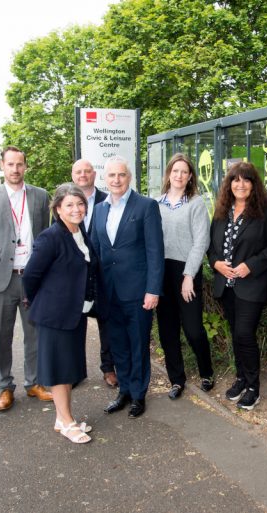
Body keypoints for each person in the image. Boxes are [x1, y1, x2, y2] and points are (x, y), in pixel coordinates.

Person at [0, 146, 53, 411]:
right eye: (10, 164)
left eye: (20, 164)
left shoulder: (41, 197)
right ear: (3, 166)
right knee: (2, 336)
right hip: (3, 280)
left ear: (25, 166)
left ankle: (34, 383)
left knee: (34, 334)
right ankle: (4, 387)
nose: (15, 169)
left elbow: (45, 236)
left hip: (32, 278)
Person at [23, 184, 100, 444]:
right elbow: (31, 276)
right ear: (58, 209)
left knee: (67, 368)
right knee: (59, 370)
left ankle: (61, 418)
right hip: (55, 316)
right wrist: (43, 303)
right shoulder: (51, 237)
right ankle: (67, 422)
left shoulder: (79, 232)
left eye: (80, 204)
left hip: (75, 313)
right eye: (69, 205)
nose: (76, 209)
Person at [91, 156, 164, 419]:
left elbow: (155, 251)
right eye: (111, 176)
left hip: (138, 292)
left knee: (138, 344)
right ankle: (123, 390)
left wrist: (153, 290)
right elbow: (97, 250)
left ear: (129, 177)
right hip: (109, 292)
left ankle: (138, 394)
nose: (116, 180)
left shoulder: (145, 206)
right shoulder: (99, 209)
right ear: (105, 179)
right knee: (118, 344)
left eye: (121, 175)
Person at [208, 162, 267, 411]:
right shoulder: (222, 211)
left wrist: (251, 265)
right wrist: (216, 263)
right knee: (235, 332)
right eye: (235, 180)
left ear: (254, 184)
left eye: (246, 180)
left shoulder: (266, 211)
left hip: (251, 284)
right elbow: (212, 247)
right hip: (226, 284)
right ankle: (241, 378)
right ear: (229, 184)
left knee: (244, 333)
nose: (240, 184)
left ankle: (253, 387)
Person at [156, 153, 213, 400]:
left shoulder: (196, 203)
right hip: (161, 273)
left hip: (186, 271)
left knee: (193, 330)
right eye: (175, 171)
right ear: (169, 173)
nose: (179, 175)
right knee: (167, 331)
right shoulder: (156, 203)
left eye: (184, 172)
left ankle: (206, 371)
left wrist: (189, 275)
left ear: (190, 176)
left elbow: (202, 240)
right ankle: (176, 380)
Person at [71, 158, 116, 388]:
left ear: (94, 175)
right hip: (75, 276)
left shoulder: (106, 200)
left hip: (102, 273)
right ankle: (76, 371)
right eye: (78, 171)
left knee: (106, 322)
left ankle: (108, 368)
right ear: (73, 175)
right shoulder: (65, 201)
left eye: (87, 171)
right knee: (75, 324)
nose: (83, 175)